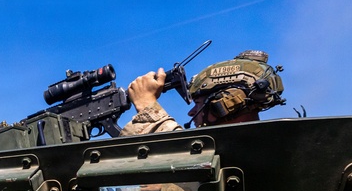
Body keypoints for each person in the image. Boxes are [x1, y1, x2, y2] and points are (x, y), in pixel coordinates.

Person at [120, 50, 285, 136]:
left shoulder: (248, 150)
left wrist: (146, 105)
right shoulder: (272, 141)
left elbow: (184, 160)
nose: (191, 112)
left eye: (199, 104)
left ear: (225, 104)